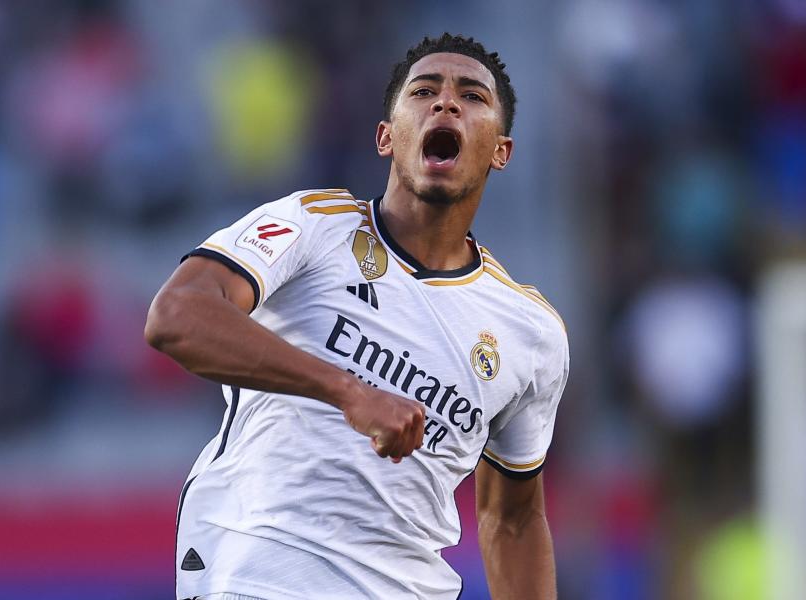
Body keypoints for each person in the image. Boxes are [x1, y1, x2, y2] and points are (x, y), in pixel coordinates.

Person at [145, 33, 569, 600]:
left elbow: (513, 519)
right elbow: (176, 316)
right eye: (424, 92)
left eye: (472, 96)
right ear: (386, 138)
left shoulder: (530, 332)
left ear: (501, 150)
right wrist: (350, 393)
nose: (446, 104)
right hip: (259, 572)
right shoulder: (314, 226)